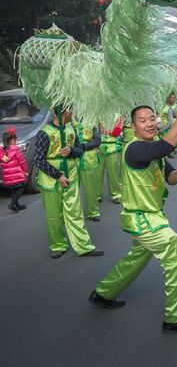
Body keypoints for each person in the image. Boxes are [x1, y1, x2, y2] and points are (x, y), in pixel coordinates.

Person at [89, 100, 177, 333]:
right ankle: (175, 318)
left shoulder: (153, 150)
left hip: (148, 217)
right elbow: (166, 146)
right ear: (132, 126)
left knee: (136, 258)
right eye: (143, 121)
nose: (150, 123)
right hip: (144, 220)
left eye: (152, 119)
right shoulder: (135, 149)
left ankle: (103, 293)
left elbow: (169, 176)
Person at [34, 109, 104, 258]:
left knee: (75, 211)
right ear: (63, 112)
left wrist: (71, 151)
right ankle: (57, 244)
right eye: (70, 110)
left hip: (71, 175)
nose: (73, 113)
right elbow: (38, 160)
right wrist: (58, 175)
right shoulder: (44, 133)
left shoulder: (71, 128)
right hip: (51, 180)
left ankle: (84, 245)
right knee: (54, 215)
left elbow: (79, 149)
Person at [75, 122, 104, 221]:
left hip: (89, 159)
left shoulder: (92, 121)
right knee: (72, 190)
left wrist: (82, 147)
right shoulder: (68, 122)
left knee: (91, 188)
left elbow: (97, 141)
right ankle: (74, 214)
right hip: (72, 160)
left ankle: (93, 213)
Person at [1, 127, 28, 212]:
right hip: (17, 175)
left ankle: (17, 205)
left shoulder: (2, 152)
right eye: (15, 140)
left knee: (14, 190)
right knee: (21, 188)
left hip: (8, 178)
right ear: (11, 140)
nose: (16, 142)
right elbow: (22, 161)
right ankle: (12, 203)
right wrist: (26, 171)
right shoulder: (15, 150)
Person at [101, 116, 123, 204]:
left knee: (113, 172)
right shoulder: (96, 113)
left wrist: (105, 130)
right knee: (98, 173)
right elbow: (95, 131)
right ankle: (97, 195)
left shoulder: (117, 115)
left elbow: (117, 131)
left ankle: (116, 194)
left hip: (112, 147)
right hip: (98, 147)